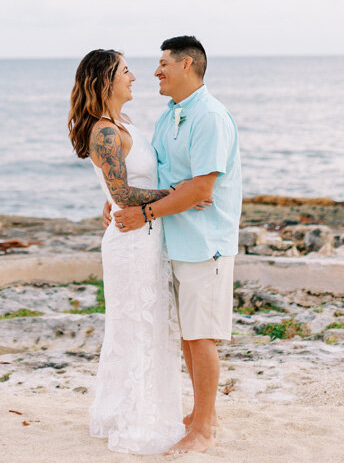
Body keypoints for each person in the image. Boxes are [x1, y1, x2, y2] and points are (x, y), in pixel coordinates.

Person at [68, 48, 205, 454]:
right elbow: (122, 192)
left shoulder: (121, 123)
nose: (134, 77)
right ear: (106, 80)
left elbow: (121, 189)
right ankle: (135, 418)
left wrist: (161, 200)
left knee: (150, 326)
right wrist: (181, 195)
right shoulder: (105, 131)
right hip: (130, 242)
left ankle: (137, 409)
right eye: (126, 71)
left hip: (145, 236)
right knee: (136, 328)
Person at [110, 36, 242, 454]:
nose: (155, 71)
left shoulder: (209, 117)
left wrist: (145, 214)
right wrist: (118, 199)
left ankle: (202, 428)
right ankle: (206, 414)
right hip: (175, 240)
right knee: (188, 336)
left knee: (202, 337)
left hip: (206, 244)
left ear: (187, 65)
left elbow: (202, 186)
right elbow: (163, 180)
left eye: (163, 63)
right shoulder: (170, 115)